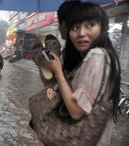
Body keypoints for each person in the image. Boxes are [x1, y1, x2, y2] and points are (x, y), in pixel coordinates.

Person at [29, 2, 121, 146]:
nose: (81, 33)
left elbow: (76, 111)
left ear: (102, 27)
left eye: (89, 25)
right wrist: (53, 74)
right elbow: (57, 91)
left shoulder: (97, 56)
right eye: (75, 27)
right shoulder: (93, 55)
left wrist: (58, 71)